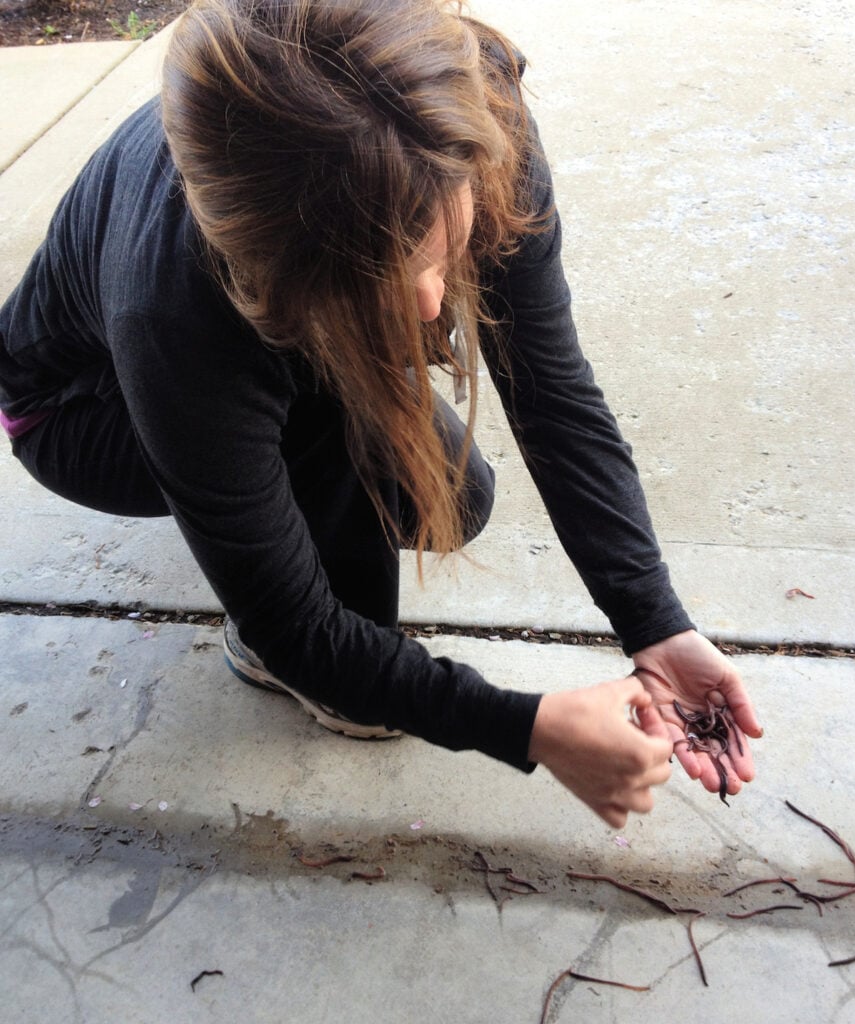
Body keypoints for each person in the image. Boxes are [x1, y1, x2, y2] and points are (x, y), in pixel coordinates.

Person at [0, 0, 761, 828]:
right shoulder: (173, 308)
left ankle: (245, 491)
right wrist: (527, 727)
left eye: (441, 252)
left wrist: (654, 622)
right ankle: (237, 529)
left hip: (213, 355)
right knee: (339, 570)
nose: (434, 303)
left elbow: (554, 392)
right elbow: (296, 627)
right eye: (389, 276)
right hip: (75, 411)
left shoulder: (456, 117)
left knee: (453, 500)